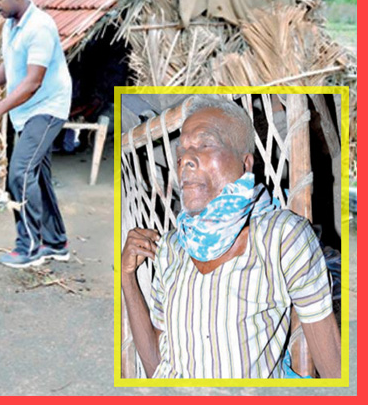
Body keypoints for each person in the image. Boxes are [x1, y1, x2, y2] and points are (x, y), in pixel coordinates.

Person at [121, 95, 341, 378]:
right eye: (180, 154)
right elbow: (157, 368)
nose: (185, 160)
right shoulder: (172, 247)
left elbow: (333, 369)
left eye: (205, 144)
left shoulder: (280, 236)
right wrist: (128, 278)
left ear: (245, 164)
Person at [0, 0, 72, 268]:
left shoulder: (40, 26)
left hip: (47, 107)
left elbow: (32, 82)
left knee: (19, 173)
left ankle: (29, 247)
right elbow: (12, 66)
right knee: (37, 176)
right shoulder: (10, 26)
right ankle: (56, 244)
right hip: (27, 111)